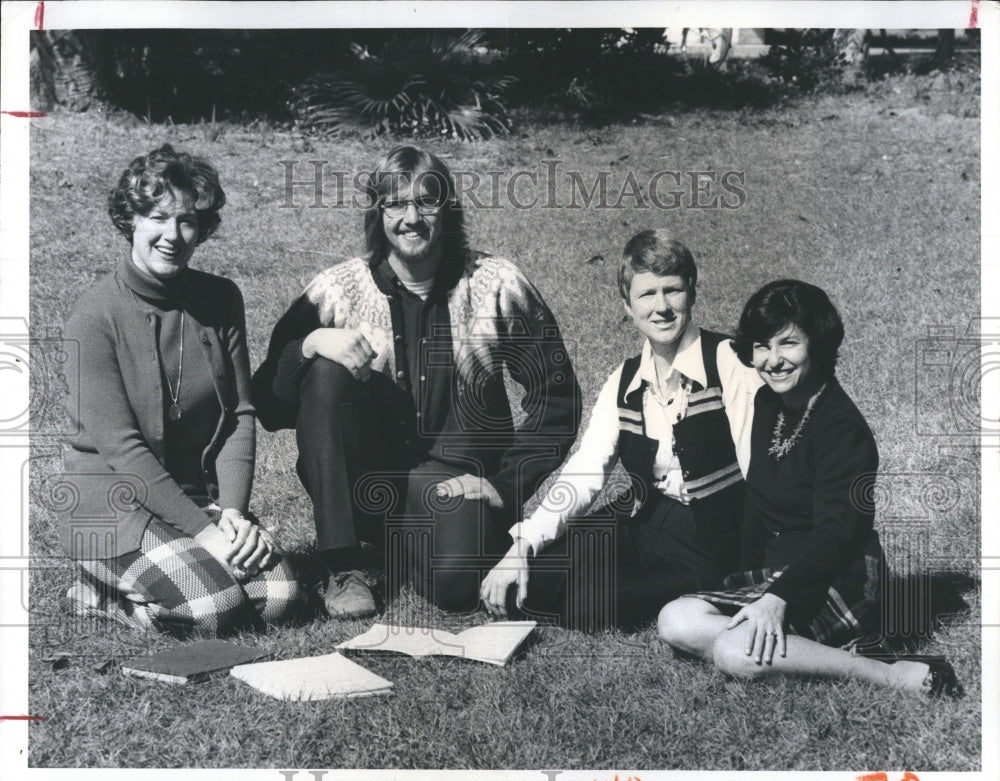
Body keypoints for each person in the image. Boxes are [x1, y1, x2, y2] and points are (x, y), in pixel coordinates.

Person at [252, 145, 581, 618]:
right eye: (395, 204)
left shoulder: (496, 284)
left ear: (447, 209)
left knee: (458, 589)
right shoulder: (337, 290)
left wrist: (507, 483)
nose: (411, 218)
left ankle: (406, 547)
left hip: (455, 484)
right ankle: (344, 564)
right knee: (325, 371)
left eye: (426, 202)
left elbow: (557, 394)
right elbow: (267, 403)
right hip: (364, 484)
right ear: (378, 212)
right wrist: (310, 344)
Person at [657, 280, 962, 697]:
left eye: (788, 343)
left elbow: (838, 534)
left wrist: (777, 599)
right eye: (762, 346)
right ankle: (801, 652)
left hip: (838, 573)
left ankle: (888, 673)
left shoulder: (842, 427)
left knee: (733, 650)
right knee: (675, 620)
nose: (773, 360)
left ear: (816, 344)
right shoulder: (768, 403)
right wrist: (741, 583)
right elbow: (757, 506)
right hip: (779, 569)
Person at [58, 144, 306, 636]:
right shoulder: (93, 317)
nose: (172, 235)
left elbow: (240, 415)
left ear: (203, 227)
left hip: (194, 500)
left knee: (279, 599)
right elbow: (124, 450)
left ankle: (172, 571)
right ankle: (102, 594)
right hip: (112, 508)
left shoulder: (220, 298)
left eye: (187, 220)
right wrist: (207, 536)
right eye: (157, 217)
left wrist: (231, 516)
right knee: (214, 607)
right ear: (131, 220)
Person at [480, 230, 762, 630]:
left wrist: (769, 566)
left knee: (588, 604)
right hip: (642, 519)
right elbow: (586, 471)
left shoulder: (728, 361)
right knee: (531, 578)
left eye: (673, 290)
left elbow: (758, 467)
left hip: (709, 543)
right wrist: (523, 545)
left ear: (692, 292)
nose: (661, 307)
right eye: (647, 294)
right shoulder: (624, 380)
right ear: (627, 306)